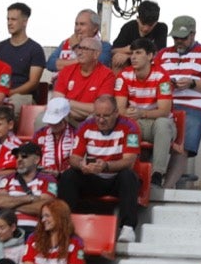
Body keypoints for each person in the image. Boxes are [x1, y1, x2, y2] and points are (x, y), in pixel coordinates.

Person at [58, 95, 142, 243]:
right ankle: (62, 224)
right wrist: (82, 165)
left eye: (106, 116)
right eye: (98, 115)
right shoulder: (85, 125)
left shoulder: (130, 126)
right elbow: (74, 158)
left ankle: (127, 227)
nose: (101, 120)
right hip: (93, 177)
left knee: (128, 176)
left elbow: (129, 161)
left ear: (116, 113)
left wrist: (106, 166)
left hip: (116, 179)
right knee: (69, 175)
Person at [155, 16, 201, 187]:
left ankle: (167, 188)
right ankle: (150, 181)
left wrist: (193, 84)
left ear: (193, 34)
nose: (179, 41)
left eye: (183, 38)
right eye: (175, 37)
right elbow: (151, 77)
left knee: (184, 138)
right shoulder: (162, 54)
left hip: (194, 106)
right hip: (165, 103)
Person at [113, 37, 182, 188]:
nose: (133, 57)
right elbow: (120, 109)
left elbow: (164, 111)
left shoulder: (162, 76)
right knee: (125, 124)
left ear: (150, 56)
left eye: (138, 53)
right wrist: (134, 115)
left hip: (155, 123)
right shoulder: (124, 75)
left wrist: (141, 113)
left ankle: (157, 175)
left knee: (162, 124)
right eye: (132, 53)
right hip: (135, 121)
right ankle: (129, 174)